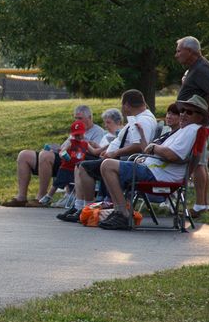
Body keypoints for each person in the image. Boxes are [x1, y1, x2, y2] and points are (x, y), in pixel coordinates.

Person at [97, 95, 209, 230]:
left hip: (158, 174)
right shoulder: (182, 130)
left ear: (200, 116)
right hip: (153, 169)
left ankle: (122, 214)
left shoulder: (191, 130)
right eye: (183, 111)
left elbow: (172, 155)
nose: (183, 114)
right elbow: (151, 150)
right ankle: (120, 211)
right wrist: (147, 142)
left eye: (189, 112)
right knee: (107, 165)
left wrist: (154, 147)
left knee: (107, 165)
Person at [56, 89, 157, 222]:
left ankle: (87, 208)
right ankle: (79, 206)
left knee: (84, 167)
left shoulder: (144, 120)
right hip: (113, 157)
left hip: (122, 161)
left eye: (122, 105)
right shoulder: (137, 118)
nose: (122, 108)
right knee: (79, 165)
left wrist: (115, 153)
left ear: (126, 105)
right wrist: (107, 149)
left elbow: (139, 146)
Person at [2, 105, 105, 207]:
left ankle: (41, 198)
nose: (77, 121)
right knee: (24, 155)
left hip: (75, 162)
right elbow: (65, 146)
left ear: (90, 118)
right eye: (76, 118)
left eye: (80, 118)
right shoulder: (76, 129)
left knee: (45, 156)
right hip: (63, 157)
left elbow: (93, 154)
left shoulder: (98, 132)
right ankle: (21, 197)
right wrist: (54, 149)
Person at [175, 36, 209, 217]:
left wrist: (205, 111)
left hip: (199, 119)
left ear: (191, 51)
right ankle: (204, 203)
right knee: (201, 162)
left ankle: (200, 205)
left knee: (199, 163)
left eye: (179, 50)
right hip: (196, 118)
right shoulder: (196, 68)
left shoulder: (201, 68)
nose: (176, 55)